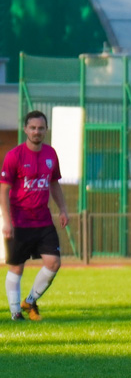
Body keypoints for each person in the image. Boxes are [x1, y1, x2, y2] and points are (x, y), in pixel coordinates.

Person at [0, 110, 69, 321]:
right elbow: (3, 189)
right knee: (16, 266)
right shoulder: (14, 156)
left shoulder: (51, 154)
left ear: (46, 130)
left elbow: (54, 183)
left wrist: (63, 208)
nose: (36, 132)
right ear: (25, 129)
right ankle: (15, 313)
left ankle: (29, 301)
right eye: (32, 128)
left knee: (53, 263)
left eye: (40, 128)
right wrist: (7, 221)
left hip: (43, 220)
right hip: (19, 221)